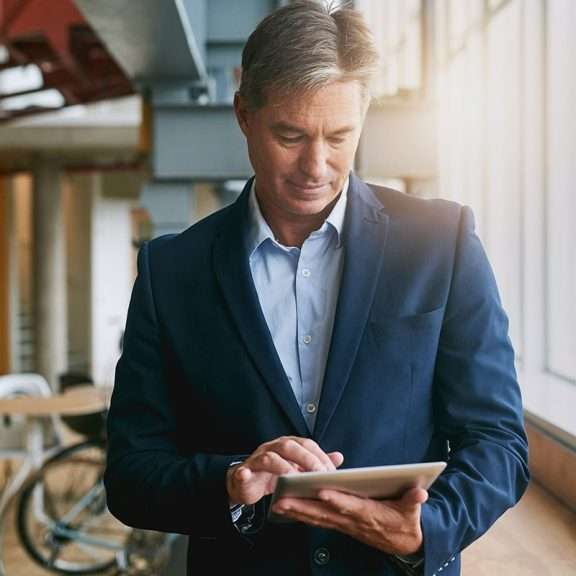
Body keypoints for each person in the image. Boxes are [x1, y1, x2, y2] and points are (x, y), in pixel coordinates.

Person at [104, 2, 529, 575]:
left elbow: (498, 440)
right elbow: (132, 475)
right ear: (242, 113)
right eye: (291, 134)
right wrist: (231, 481)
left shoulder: (441, 242)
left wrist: (428, 528)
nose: (317, 165)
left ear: (364, 115)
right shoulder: (171, 271)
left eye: (340, 136)